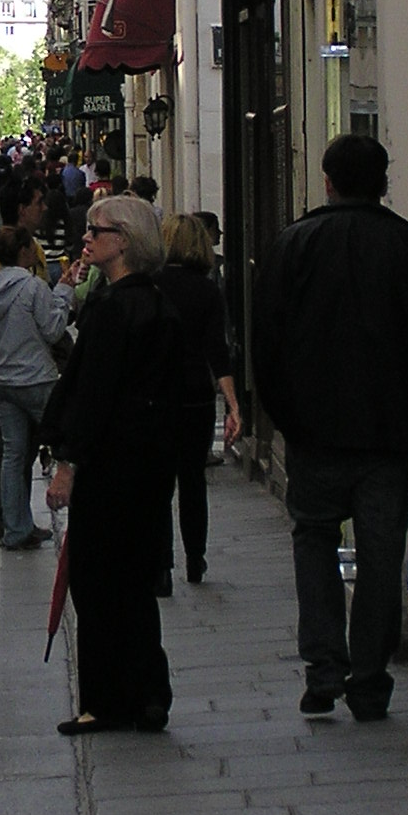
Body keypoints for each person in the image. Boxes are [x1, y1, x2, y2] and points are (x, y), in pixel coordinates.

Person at [254, 133, 408, 722]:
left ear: (327, 181)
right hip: (387, 436)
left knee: (313, 543)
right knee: (381, 556)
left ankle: (323, 669)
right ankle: (369, 679)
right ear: (384, 183)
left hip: (316, 435)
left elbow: (268, 346)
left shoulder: (293, 244)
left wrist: (284, 420)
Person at [42, 195, 185, 735]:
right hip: (149, 467)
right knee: (135, 582)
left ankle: (106, 699)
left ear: (122, 240)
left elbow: (92, 393)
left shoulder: (110, 308)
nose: (85, 238)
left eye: (94, 231)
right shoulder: (158, 306)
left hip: (108, 466)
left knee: (99, 584)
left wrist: (67, 463)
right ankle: (150, 692)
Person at [155, 214, 242, 592]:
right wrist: (233, 402)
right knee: (193, 481)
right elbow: (216, 350)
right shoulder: (207, 290)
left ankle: (161, 566)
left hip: (156, 393)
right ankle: (195, 556)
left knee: (158, 483)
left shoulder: (152, 284)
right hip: (195, 395)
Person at [0, 228, 73, 547]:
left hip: (1, 378)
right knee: (67, 441)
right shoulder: (33, 287)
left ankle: (15, 527)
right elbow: (54, 328)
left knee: (13, 455)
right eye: (32, 246)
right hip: (36, 377)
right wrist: (64, 292)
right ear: (23, 251)